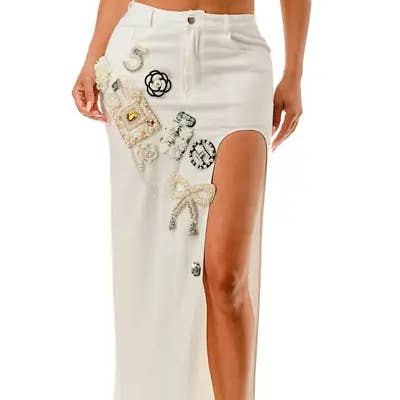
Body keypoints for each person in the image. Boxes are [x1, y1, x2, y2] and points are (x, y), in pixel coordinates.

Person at [72, 0, 311, 399]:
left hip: (238, 60)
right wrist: (93, 55)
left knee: (226, 274)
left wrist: (294, 73)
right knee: (151, 266)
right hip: (145, 56)